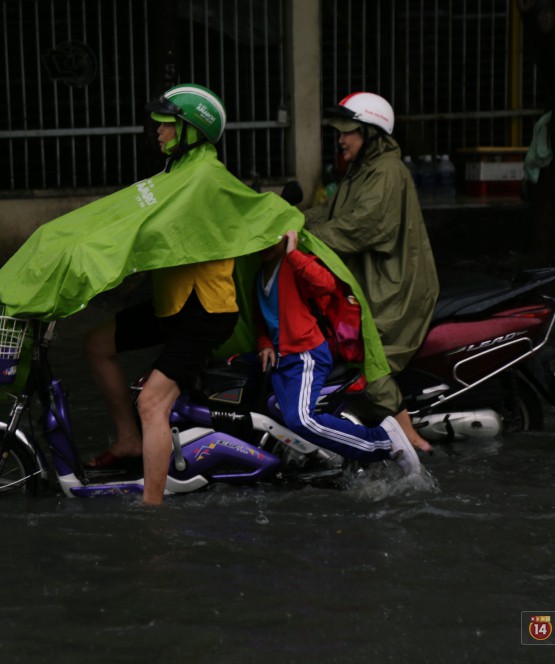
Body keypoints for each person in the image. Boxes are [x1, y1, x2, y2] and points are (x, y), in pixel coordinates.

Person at [82, 84, 240, 505]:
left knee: (153, 402)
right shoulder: (177, 172)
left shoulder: (205, 177)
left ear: (191, 130)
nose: (158, 131)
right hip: (172, 303)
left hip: (203, 309)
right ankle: (129, 440)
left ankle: (151, 509)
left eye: (168, 125)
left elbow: (161, 231)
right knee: (97, 343)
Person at [304, 92, 439, 452]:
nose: (341, 138)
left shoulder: (387, 172)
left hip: (392, 289)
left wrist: (302, 239)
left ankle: (408, 434)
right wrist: (286, 220)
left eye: (349, 132)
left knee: (363, 347)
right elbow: (328, 215)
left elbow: (362, 227)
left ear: (372, 135)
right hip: (368, 281)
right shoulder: (360, 172)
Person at [255, 229, 420, 475]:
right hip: (282, 357)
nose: (266, 244)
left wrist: (293, 253)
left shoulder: (294, 263)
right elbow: (262, 318)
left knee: (302, 420)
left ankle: (383, 441)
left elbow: (326, 284)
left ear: (287, 236)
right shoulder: (258, 276)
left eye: (275, 237)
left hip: (305, 353)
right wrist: (265, 344)